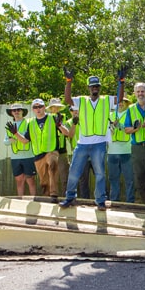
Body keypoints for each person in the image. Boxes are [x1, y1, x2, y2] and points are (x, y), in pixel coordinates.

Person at [60, 72, 112, 211]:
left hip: (99, 143)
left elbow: (119, 99)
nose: (95, 88)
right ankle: (70, 197)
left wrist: (122, 81)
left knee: (100, 173)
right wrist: (69, 81)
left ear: (99, 88)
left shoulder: (106, 100)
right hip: (82, 143)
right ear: (88, 88)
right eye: (92, 86)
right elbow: (67, 99)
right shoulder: (81, 101)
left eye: (97, 86)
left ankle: (100, 200)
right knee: (74, 172)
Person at [12, 98, 64, 202]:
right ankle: (47, 199)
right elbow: (25, 141)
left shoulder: (53, 118)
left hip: (51, 150)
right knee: (44, 182)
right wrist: (15, 133)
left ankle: (54, 194)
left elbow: (66, 133)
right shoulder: (30, 123)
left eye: (40, 106)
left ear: (44, 107)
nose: (38, 109)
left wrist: (60, 125)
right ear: (33, 109)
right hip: (38, 155)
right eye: (35, 107)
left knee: (53, 165)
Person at [3, 102, 37, 197]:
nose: (16, 112)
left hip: (28, 156)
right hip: (15, 157)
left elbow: (26, 141)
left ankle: (33, 200)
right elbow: (5, 142)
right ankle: (20, 201)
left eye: (18, 110)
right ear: (11, 113)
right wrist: (11, 140)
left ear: (22, 111)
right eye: (14, 110)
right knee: (19, 181)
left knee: (30, 180)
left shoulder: (28, 123)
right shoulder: (9, 125)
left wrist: (15, 136)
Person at [107, 97, 135, 203]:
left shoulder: (130, 114)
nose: (121, 104)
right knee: (113, 178)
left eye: (123, 102)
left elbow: (133, 129)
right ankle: (114, 201)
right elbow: (108, 132)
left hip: (127, 150)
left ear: (127, 103)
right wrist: (112, 127)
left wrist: (120, 126)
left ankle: (130, 202)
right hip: (112, 151)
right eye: (119, 102)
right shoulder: (110, 115)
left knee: (129, 179)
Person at [47, 98, 71, 197]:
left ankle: (65, 197)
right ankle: (52, 197)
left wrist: (60, 125)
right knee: (51, 177)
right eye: (53, 107)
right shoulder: (46, 118)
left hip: (61, 151)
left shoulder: (63, 118)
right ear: (50, 108)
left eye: (57, 106)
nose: (56, 108)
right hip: (50, 151)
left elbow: (67, 133)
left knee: (64, 176)